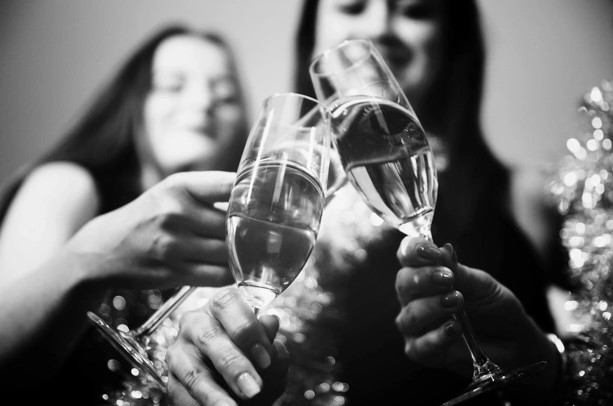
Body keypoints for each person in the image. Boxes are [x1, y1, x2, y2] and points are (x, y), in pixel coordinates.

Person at [167, 1, 570, 405]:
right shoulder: (272, 199)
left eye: (415, 11)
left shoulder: (526, 197)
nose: (379, 28)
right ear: (312, 35)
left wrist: (549, 364)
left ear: (452, 40)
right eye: (352, 6)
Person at [0, 23, 249, 404]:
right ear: (135, 103)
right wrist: (95, 255)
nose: (203, 102)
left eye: (225, 94)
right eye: (172, 85)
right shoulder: (69, 183)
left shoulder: (229, 242)